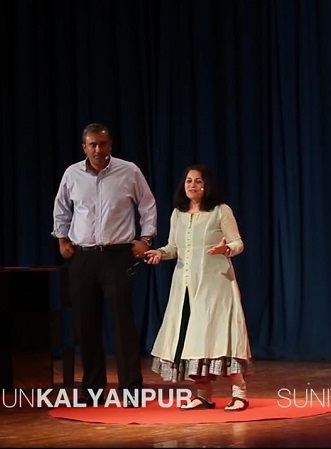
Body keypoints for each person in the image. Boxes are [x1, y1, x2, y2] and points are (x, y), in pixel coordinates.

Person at [51, 122, 157, 406]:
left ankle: (131, 390)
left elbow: (147, 205)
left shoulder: (129, 171)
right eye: (92, 145)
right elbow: (62, 207)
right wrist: (62, 239)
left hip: (117, 255)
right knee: (86, 324)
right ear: (84, 147)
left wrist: (146, 238)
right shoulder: (72, 174)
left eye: (103, 144)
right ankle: (92, 389)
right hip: (83, 256)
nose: (98, 149)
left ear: (110, 145)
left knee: (123, 324)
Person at [144, 164, 252, 411]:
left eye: (198, 181)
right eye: (188, 181)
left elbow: (238, 243)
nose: (192, 185)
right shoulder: (178, 214)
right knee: (191, 339)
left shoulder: (220, 211)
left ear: (206, 185)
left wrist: (226, 248)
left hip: (216, 286)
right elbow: (174, 247)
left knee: (220, 338)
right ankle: (203, 395)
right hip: (185, 288)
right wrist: (159, 253)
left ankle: (239, 393)